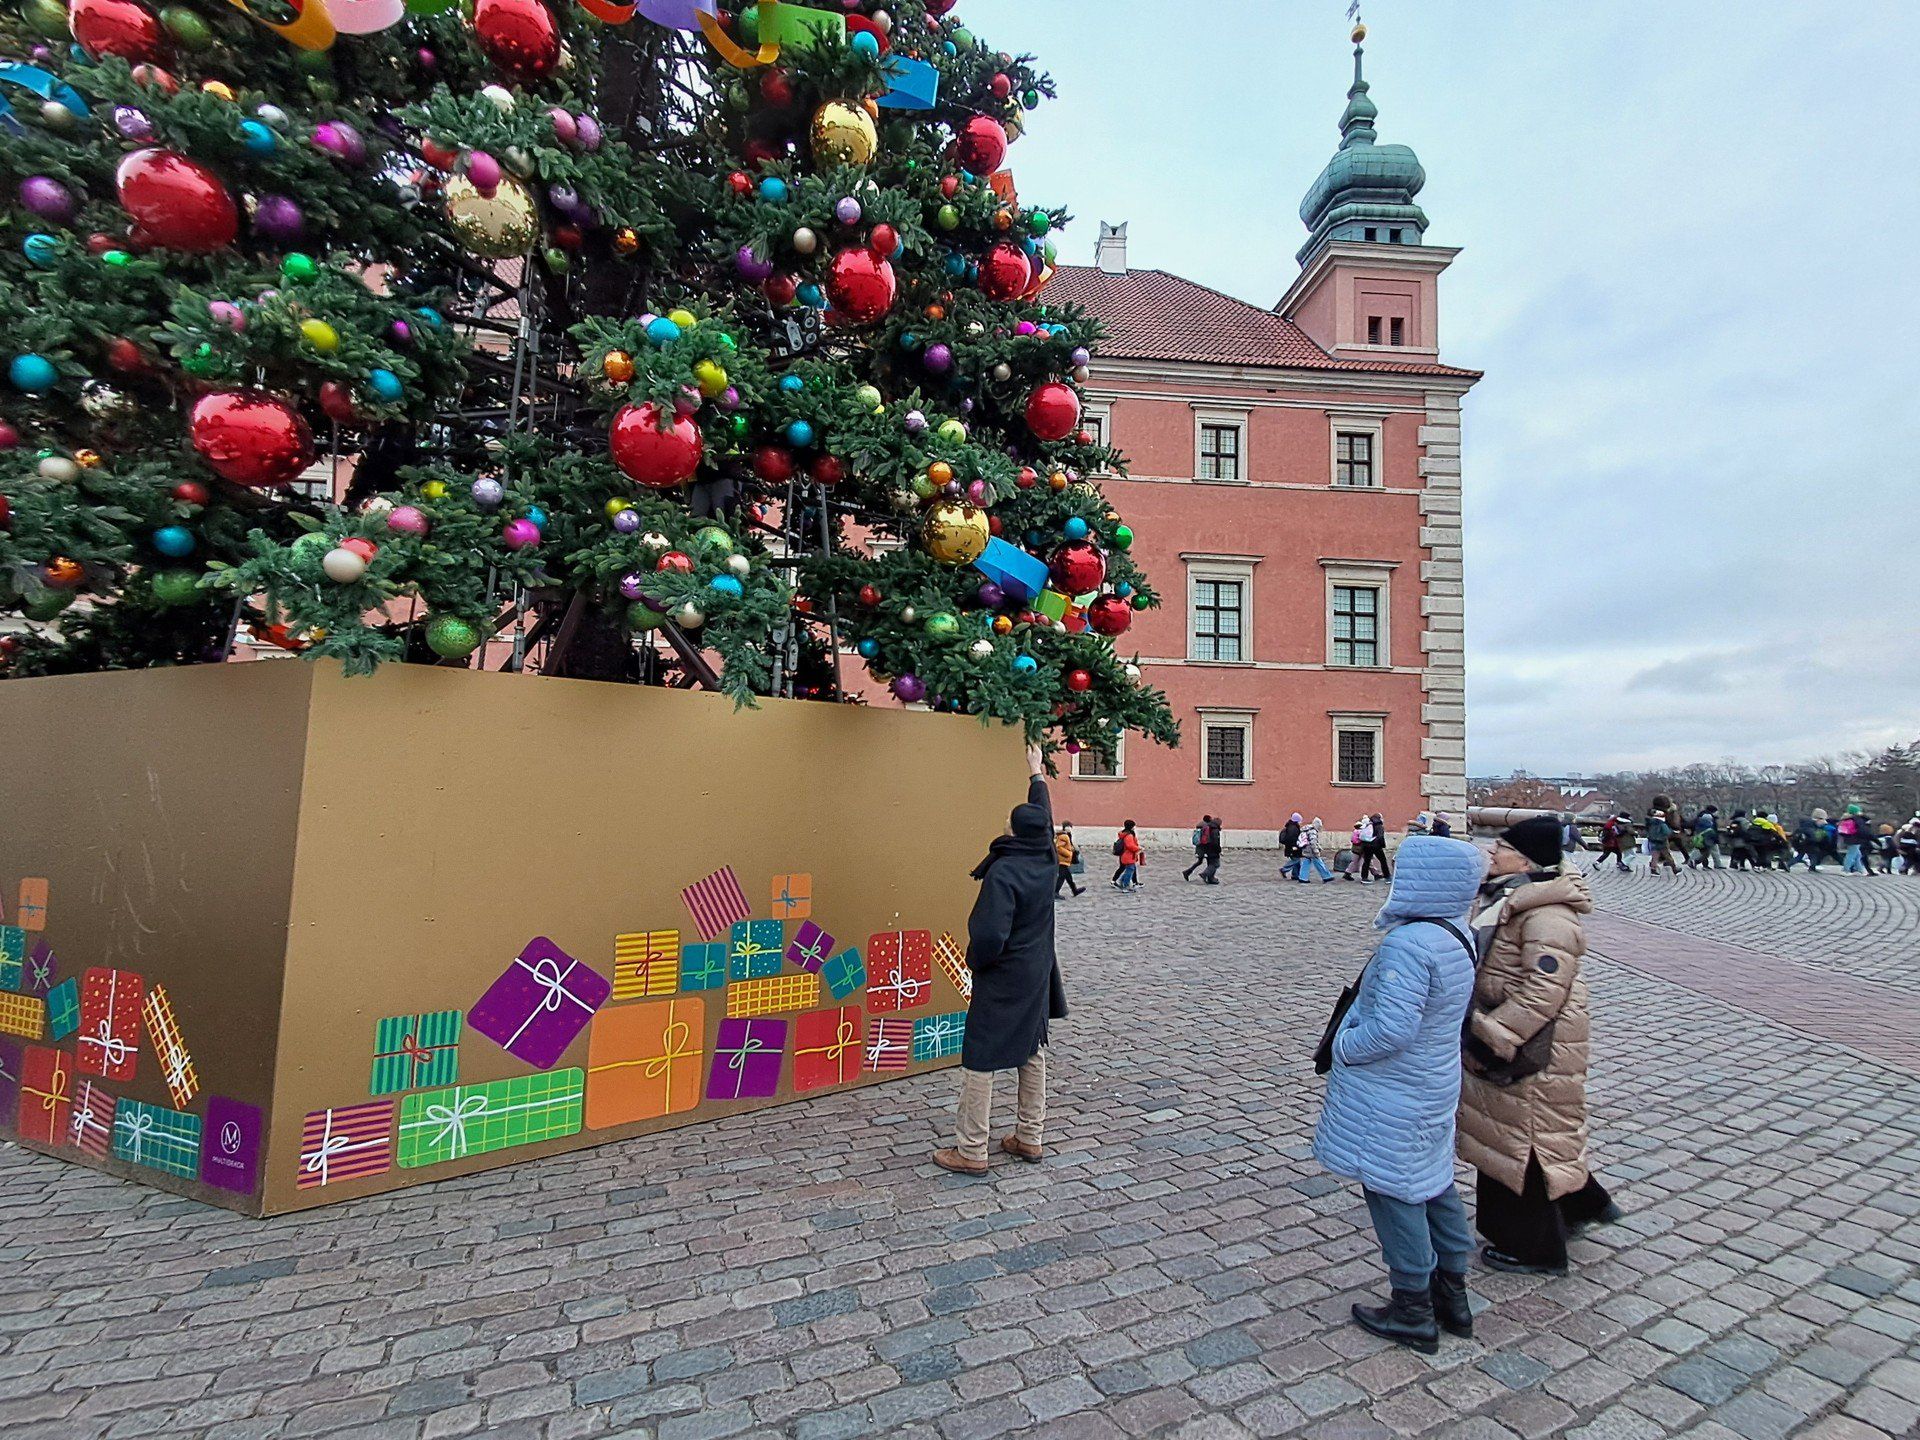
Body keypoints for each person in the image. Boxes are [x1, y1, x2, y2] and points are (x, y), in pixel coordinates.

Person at [1313, 835, 1488, 1353]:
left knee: (1394, 1190)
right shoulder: (1457, 934)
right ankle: (1452, 1295)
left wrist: (1344, 1045)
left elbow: (1390, 1030)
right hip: (1432, 1084)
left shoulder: (1409, 945)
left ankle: (1413, 1305)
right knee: (1434, 1183)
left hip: (1394, 1091)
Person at [1458, 817, 1619, 1276]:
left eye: (1502, 848)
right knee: (1524, 1129)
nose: (1492, 854)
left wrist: (1496, 1036)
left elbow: (1543, 991)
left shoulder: (1546, 915)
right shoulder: (1513, 898)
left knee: (1525, 1137)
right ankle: (1581, 1205)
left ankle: (1536, 1248)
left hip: (1534, 1044)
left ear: (1525, 861)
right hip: (1522, 1037)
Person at [934, 746, 1068, 1177]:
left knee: (980, 1055)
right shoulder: (1046, 858)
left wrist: (978, 961)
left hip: (1004, 973)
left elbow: (990, 934)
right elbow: (1043, 817)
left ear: (1012, 829)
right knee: (1031, 1047)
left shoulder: (1005, 871)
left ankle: (971, 1149)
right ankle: (1030, 1136)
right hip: (1038, 970)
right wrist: (1036, 773)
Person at [1644, 801, 1680, 876]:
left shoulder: (1651, 823)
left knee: (1655, 856)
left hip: (1653, 841)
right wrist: (1672, 831)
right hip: (1662, 841)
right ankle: (1674, 868)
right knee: (1667, 855)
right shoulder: (1661, 824)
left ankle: (1653, 869)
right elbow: (1667, 832)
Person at [1298, 817, 1337, 883]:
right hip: (1311, 850)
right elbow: (1313, 842)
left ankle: (1302, 877)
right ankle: (1326, 876)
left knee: (1306, 863)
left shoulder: (1307, 829)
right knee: (1319, 862)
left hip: (1306, 848)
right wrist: (1316, 851)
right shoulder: (1313, 831)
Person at [1053, 821, 1083, 898]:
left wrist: (1072, 849)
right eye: (1069, 827)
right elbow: (1059, 847)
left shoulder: (1067, 835)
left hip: (1064, 860)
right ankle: (1055, 892)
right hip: (1062, 859)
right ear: (1065, 827)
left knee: (1068, 876)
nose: (1070, 829)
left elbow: (1067, 846)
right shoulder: (1064, 836)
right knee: (1062, 877)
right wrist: (1069, 853)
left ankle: (1074, 890)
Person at [1840, 805, 1871, 874]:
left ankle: (1860, 870)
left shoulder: (1846, 818)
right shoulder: (1856, 819)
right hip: (1856, 839)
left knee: (1857, 855)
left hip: (1848, 838)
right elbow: (1863, 825)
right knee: (1851, 854)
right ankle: (1846, 870)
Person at [1114, 821, 1142, 892]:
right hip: (1129, 856)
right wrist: (1138, 848)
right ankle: (1125, 886)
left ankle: (1122, 881)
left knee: (1130, 869)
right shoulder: (1129, 836)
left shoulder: (1125, 834)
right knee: (1129, 871)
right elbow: (1130, 846)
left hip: (1127, 856)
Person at [1182, 816, 1210, 882]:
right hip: (1204, 846)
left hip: (1199, 846)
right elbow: (1206, 837)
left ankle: (1188, 872)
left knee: (1200, 861)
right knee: (1210, 861)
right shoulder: (1206, 826)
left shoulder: (1199, 826)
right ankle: (1207, 875)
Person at [1198, 815, 1223, 885]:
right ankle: (1205, 874)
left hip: (1206, 848)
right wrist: (1218, 849)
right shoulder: (1215, 830)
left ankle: (1211, 879)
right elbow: (1215, 842)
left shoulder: (1208, 827)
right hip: (1212, 849)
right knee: (1215, 864)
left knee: (1210, 863)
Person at [1279, 813, 1304, 881]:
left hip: (1291, 847)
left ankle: (1295, 875)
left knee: (1297, 860)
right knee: (1296, 860)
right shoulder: (1293, 828)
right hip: (1293, 847)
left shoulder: (1291, 826)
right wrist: (1294, 846)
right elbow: (1292, 839)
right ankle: (1284, 869)